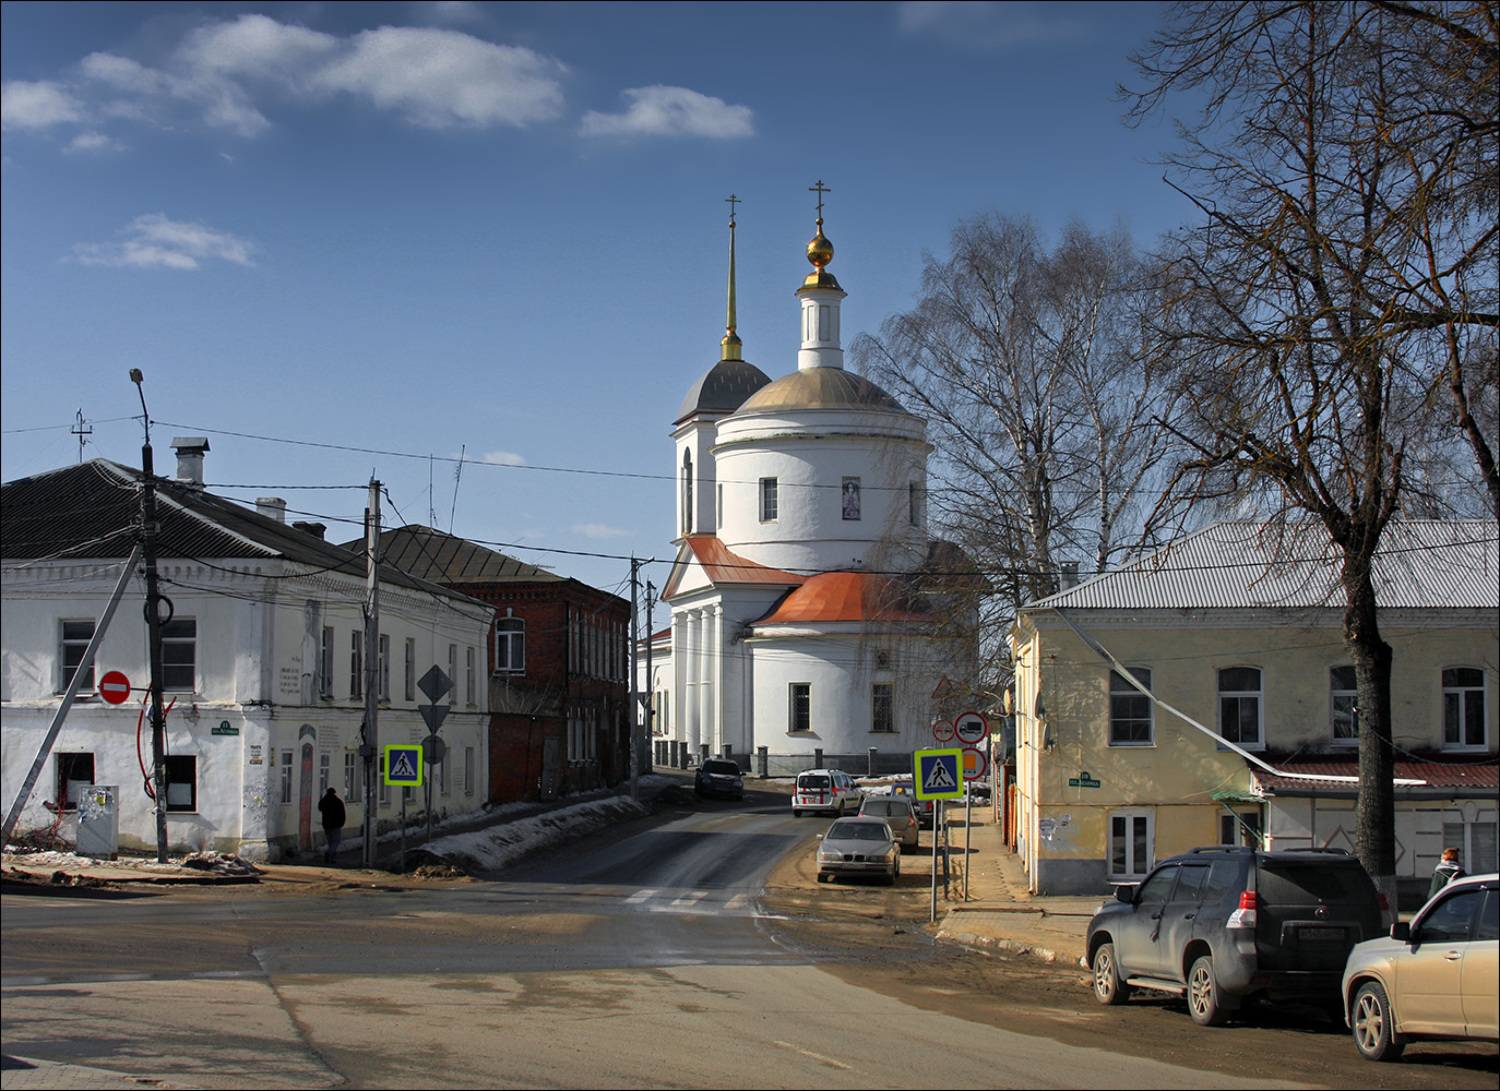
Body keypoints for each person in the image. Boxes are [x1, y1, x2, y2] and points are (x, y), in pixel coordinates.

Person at [318, 787, 346, 866]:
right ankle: (329, 853)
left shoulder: (324, 801)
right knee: (336, 841)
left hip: (326, 825)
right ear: (334, 793)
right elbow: (342, 814)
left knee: (330, 842)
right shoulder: (338, 802)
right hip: (336, 825)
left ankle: (331, 857)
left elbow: (319, 808)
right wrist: (341, 823)